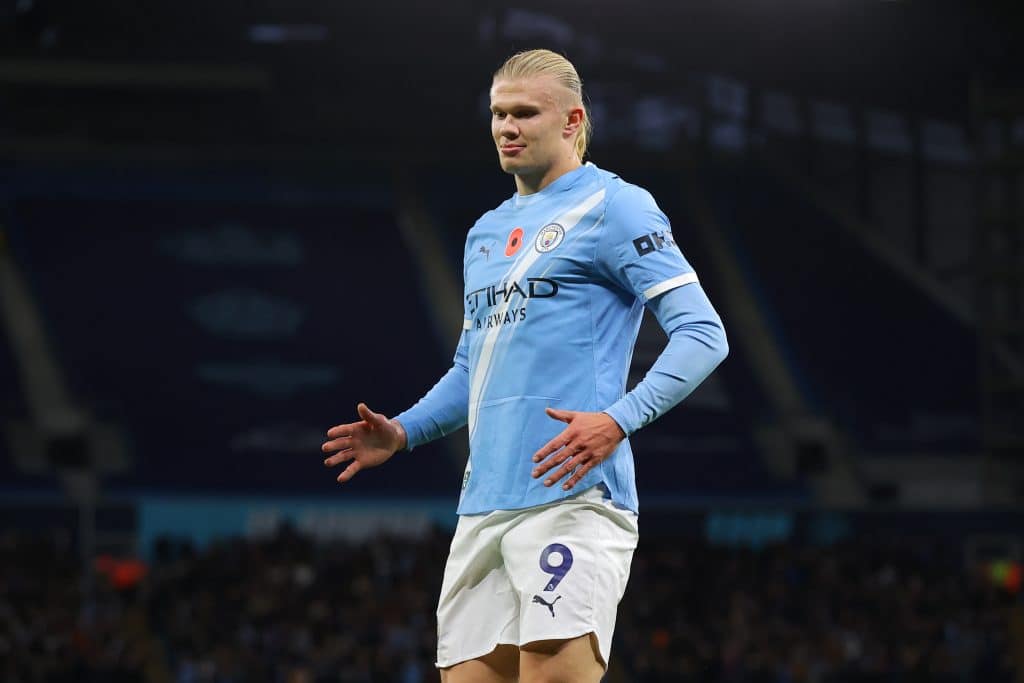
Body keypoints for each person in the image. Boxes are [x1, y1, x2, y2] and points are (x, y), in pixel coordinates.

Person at [322, 49, 728, 682]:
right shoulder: (484, 233)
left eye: (525, 113)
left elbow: (703, 334)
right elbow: (472, 368)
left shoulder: (614, 206)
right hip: (483, 505)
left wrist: (618, 420)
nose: (507, 128)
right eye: (498, 114)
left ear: (572, 120)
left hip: (572, 498)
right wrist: (402, 432)